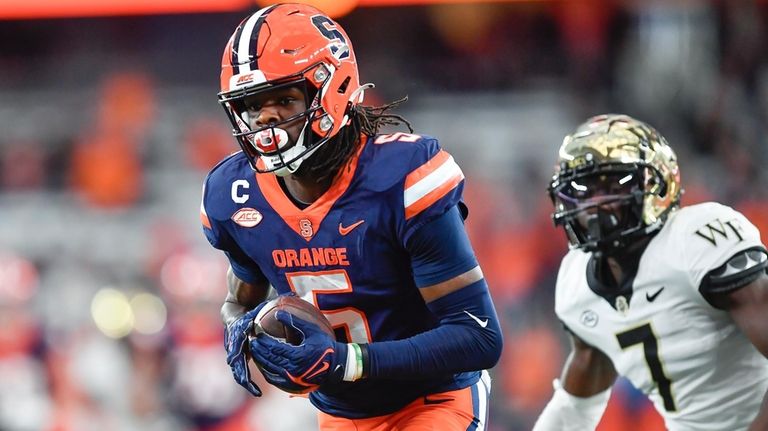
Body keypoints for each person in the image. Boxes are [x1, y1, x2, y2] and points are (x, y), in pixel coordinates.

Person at [198, 3, 503, 430]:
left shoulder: (401, 177)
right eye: (251, 105)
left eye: (284, 99)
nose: (265, 118)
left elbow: (479, 337)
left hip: (432, 401)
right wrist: (239, 331)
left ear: (332, 90)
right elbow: (238, 302)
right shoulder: (234, 196)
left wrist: (346, 361)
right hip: (341, 417)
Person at [533, 114, 768, 431]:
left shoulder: (695, 240)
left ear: (660, 186)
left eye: (617, 183)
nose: (596, 203)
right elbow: (573, 409)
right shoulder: (577, 280)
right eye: (583, 188)